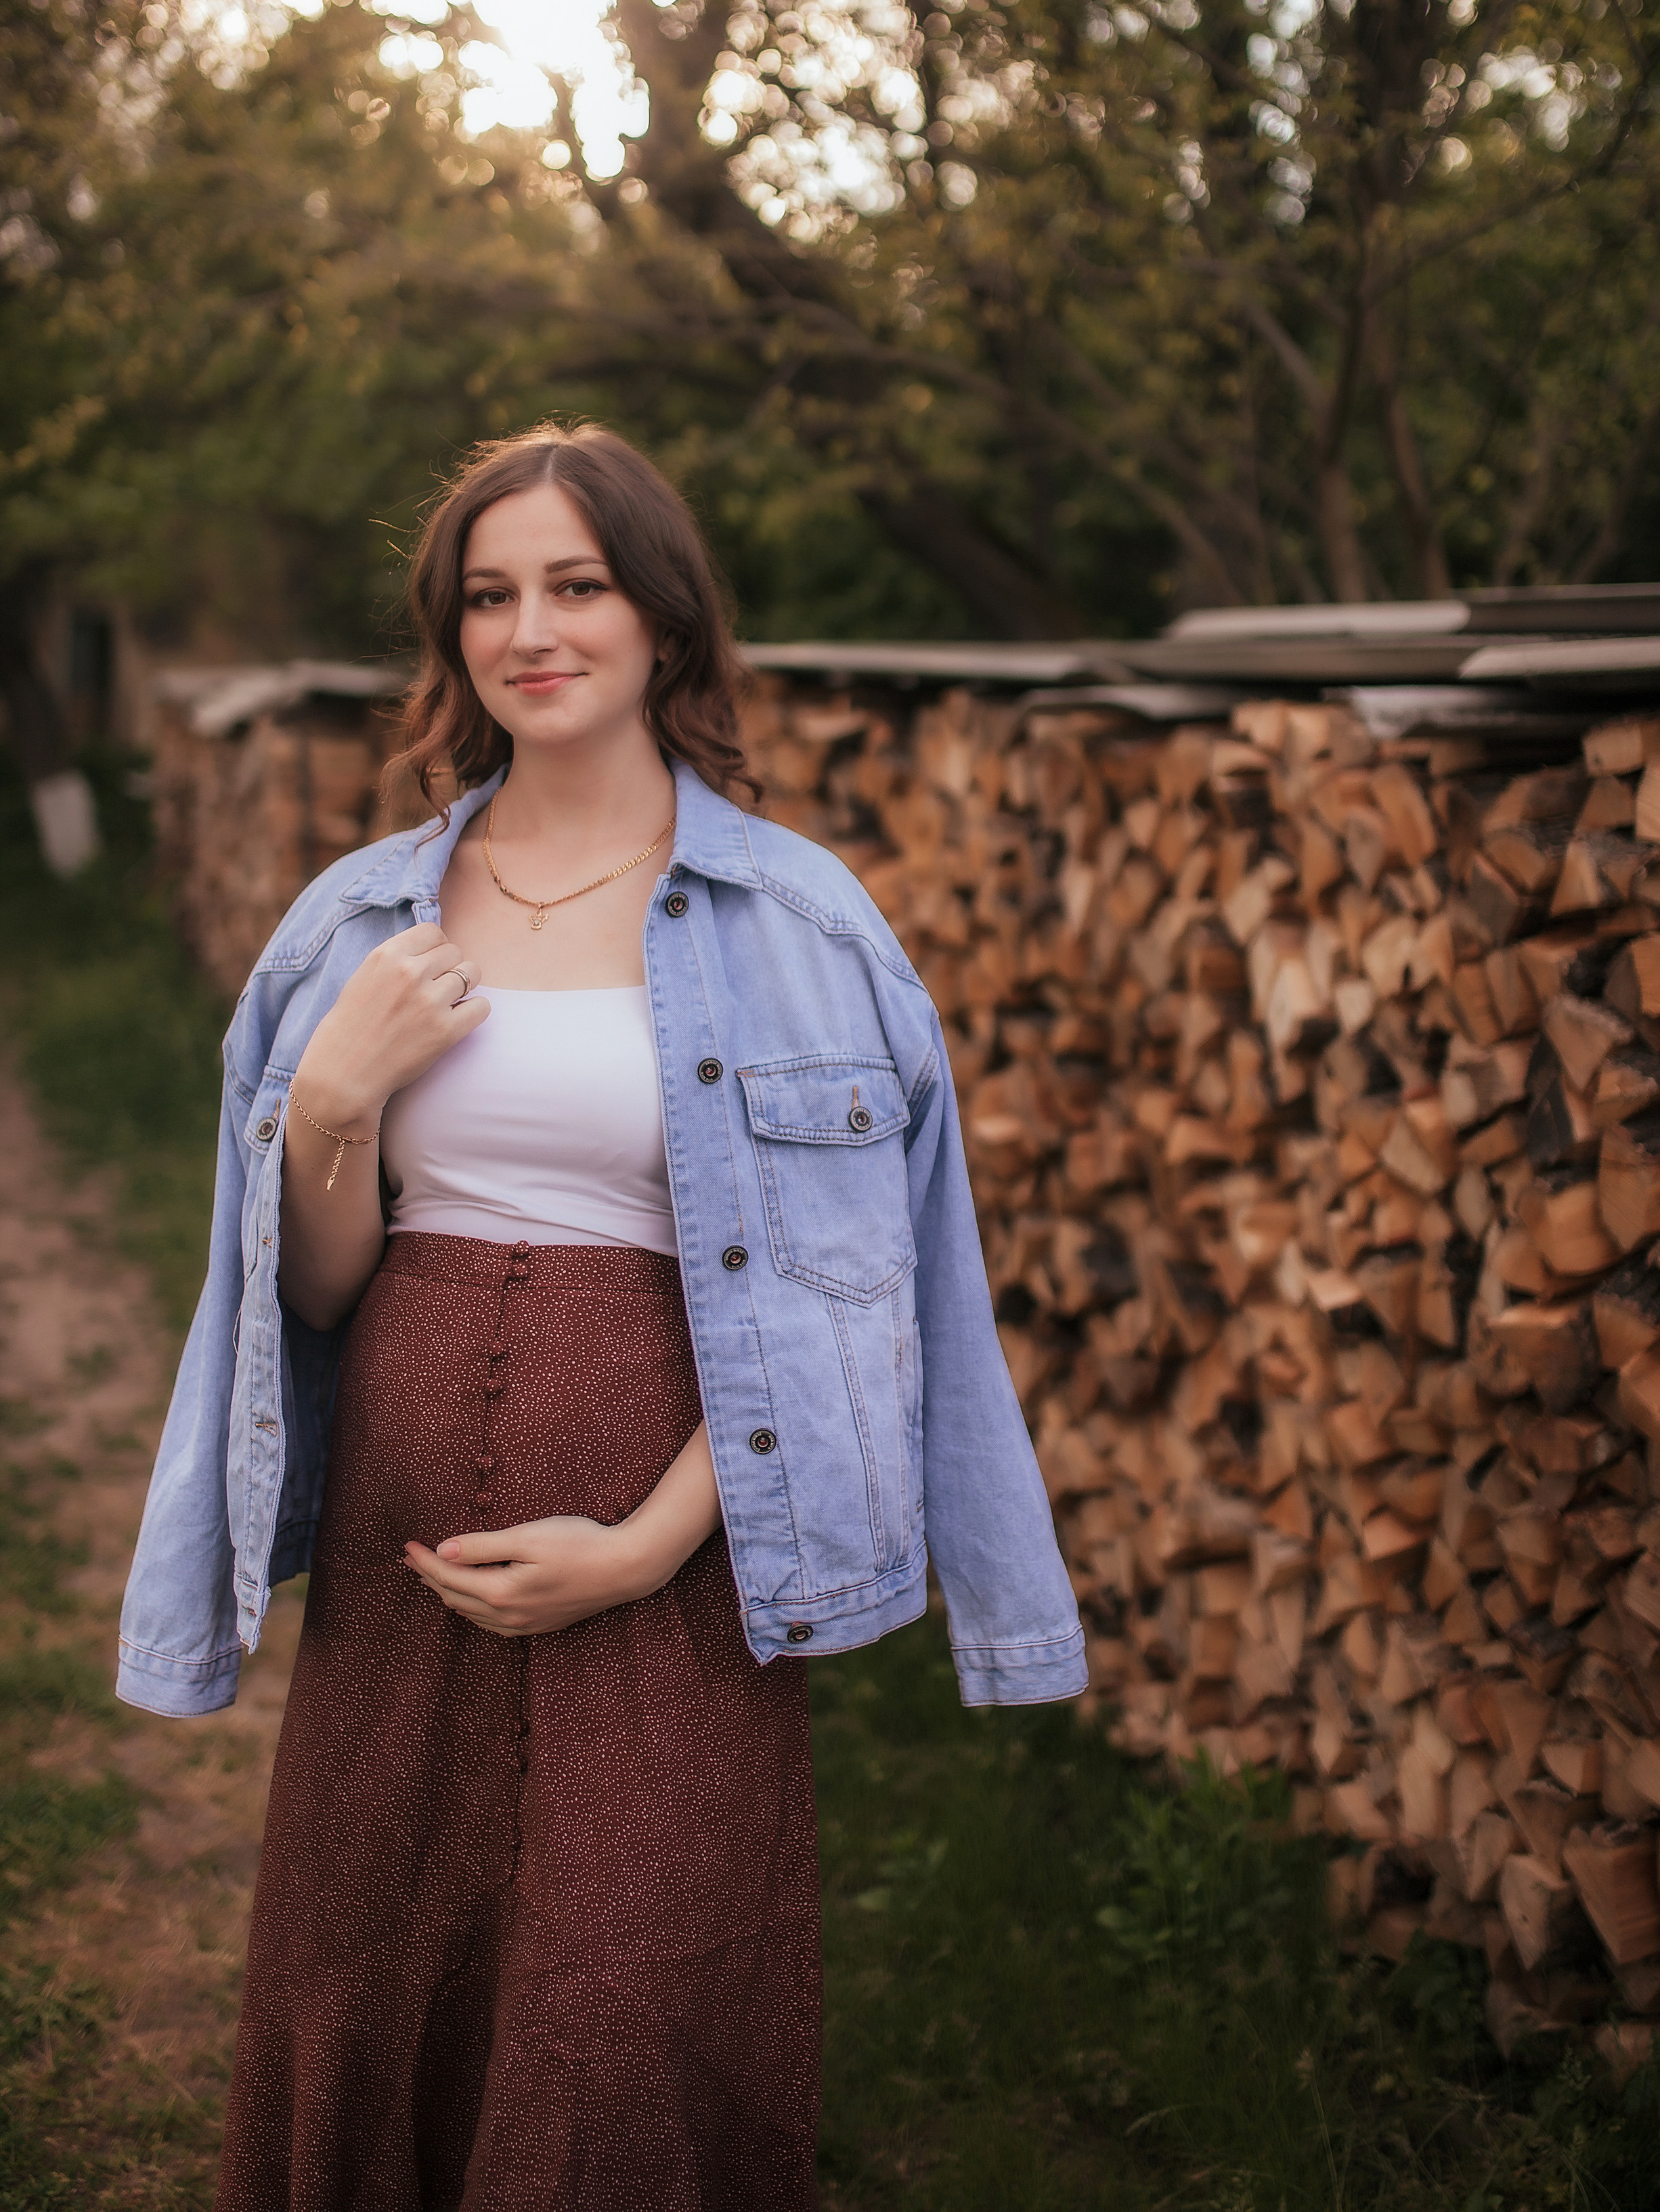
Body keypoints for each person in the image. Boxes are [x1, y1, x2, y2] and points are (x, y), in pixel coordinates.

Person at [116, 421, 1085, 2211]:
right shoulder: (356, 921)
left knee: (621, 2021)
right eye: (490, 596)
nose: (532, 630)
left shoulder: (801, 927)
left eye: (576, 584)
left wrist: (642, 1547)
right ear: (452, 635)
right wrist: (330, 1102)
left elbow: (858, 1303)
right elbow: (316, 1293)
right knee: (376, 1983)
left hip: (674, 1580)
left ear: (661, 616)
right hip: (399, 1569)